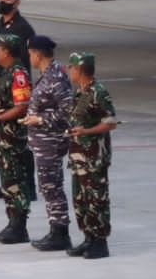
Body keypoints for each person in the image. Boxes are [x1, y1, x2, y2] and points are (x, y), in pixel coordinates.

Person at [23, 34, 74, 251]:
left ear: (37, 54)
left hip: (51, 142)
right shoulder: (47, 75)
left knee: (52, 187)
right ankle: (55, 228)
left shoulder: (56, 77)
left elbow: (67, 111)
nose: (29, 58)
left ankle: (60, 232)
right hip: (42, 142)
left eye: (31, 53)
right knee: (47, 187)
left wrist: (40, 119)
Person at [0, 33, 32, 244]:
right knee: (8, 183)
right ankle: (12, 223)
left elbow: (22, 107)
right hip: (1, 138)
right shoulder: (7, 73)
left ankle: (19, 227)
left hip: (11, 139)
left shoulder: (18, 74)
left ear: (8, 51)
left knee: (15, 183)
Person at [66, 52, 118, 259]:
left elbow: (111, 122)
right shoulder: (80, 93)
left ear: (79, 70)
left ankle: (100, 242)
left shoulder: (99, 92)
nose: (69, 71)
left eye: (71, 68)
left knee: (96, 198)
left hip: (94, 157)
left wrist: (87, 132)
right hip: (78, 157)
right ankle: (88, 238)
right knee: (81, 200)